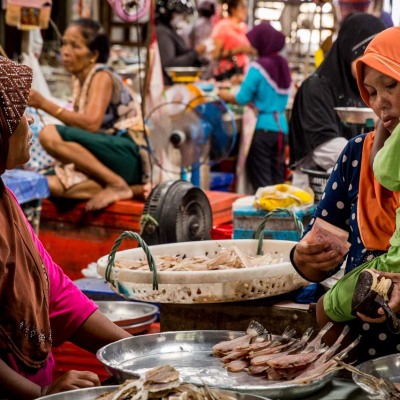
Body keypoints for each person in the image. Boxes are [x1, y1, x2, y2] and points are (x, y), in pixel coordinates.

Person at [0, 56, 131, 399]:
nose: (29, 120)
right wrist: (40, 393)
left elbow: (55, 291)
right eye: (18, 115)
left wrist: (138, 353)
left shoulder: (5, 200)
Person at [291, 26, 400, 362]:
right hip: (357, 354)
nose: (381, 101)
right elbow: (320, 254)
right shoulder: (356, 157)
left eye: (391, 85)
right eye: (371, 92)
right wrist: (304, 260)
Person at [28, 18, 150, 211]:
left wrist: (43, 103)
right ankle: (132, 188)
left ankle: (116, 184)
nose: (65, 51)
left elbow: (91, 124)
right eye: (64, 44)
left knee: (48, 134)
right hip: (108, 156)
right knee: (52, 183)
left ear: (93, 54)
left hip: (127, 153)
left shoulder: (101, 75)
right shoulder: (80, 79)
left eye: (75, 46)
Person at [289, 12, 385, 188]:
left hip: (360, 183)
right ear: (349, 50)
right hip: (318, 188)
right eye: (366, 58)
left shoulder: (366, 88)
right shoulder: (315, 88)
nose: (373, 68)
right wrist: (381, 159)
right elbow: (325, 148)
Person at [218, 21, 291, 189]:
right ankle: (282, 215)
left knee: (264, 186)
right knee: (279, 184)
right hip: (281, 129)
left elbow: (242, 98)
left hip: (262, 130)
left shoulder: (258, 67)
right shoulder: (283, 64)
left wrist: (223, 95)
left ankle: (268, 216)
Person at [155, 0, 207, 84]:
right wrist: (195, 53)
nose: (182, 18)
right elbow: (169, 64)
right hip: (169, 85)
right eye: (178, 14)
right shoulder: (162, 32)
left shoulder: (169, 30)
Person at [211, 0, 257, 81]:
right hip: (226, 74)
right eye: (242, 7)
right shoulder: (223, 26)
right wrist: (237, 50)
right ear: (233, 9)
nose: (245, 10)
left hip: (242, 72)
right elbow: (215, 54)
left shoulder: (243, 27)